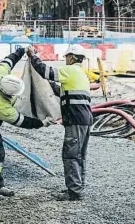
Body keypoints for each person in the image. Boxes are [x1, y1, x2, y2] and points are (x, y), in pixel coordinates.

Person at [0, 47, 55, 201]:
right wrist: (42, 123)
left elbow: (8, 61)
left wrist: (20, 51)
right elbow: (24, 122)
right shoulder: (2, 107)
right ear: (8, 94)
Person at [26, 45, 93, 201]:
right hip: (84, 120)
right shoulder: (80, 73)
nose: (65, 60)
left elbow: (45, 70)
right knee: (79, 155)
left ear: (71, 57)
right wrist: (47, 85)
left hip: (75, 120)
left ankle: (74, 191)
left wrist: (33, 56)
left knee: (70, 155)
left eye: (66, 57)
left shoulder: (70, 71)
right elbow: (62, 91)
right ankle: (77, 186)